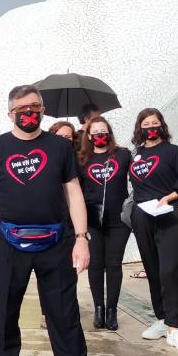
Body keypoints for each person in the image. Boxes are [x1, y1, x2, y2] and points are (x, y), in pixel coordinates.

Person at [0, 85, 96, 356]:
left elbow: (74, 193)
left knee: (64, 316)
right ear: (10, 112)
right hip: (9, 243)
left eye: (35, 107)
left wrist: (81, 238)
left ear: (43, 110)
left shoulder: (58, 147)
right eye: (23, 108)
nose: (29, 112)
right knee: (6, 314)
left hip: (57, 242)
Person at [129, 108, 178, 352]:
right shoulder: (136, 154)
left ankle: (174, 328)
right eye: (146, 123)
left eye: (155, 123)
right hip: (142, 216)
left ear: (162, 126)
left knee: (168, 270)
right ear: (140, 128)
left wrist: (169, 197)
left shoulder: (172, 152)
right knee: (152, 269)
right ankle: (161, 319)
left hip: (168, 215)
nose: (151, 127)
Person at [77, 116, 132, 331]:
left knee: (114, 264)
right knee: (96, 264)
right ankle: (98, 308)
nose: (100, 135)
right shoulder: (82, 159)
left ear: (109, 133)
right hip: (92, 221)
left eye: (104, 131)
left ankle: (112, 310)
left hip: (118, 220)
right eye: (96, 132)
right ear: (89, 136)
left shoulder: (123, 154)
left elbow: (139, 178)